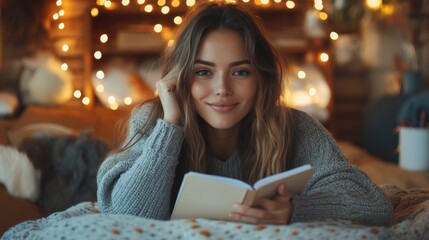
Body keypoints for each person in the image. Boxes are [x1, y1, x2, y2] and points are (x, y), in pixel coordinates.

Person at [96, 1, 392, 226]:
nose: (222, 88)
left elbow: (374, 203)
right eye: (203, 72)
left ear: (260, 78)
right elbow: (127, 214)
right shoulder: (154, 122)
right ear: (180, 78)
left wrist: (297, 209)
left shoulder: (295, 127)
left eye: (239, 71)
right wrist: (171, 123)